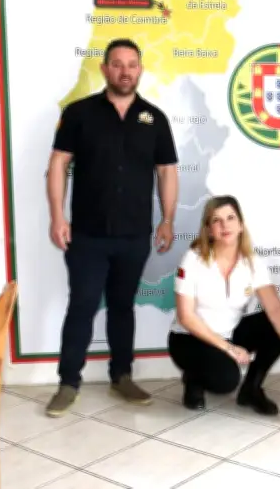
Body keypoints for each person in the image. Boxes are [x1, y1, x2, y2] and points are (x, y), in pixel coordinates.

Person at [45, 38, 179, 417]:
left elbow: (167, 171)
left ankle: (122, 376)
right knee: (82, 306)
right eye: (117, 64)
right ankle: (68, 382)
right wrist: (58, 216)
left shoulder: (154, 118)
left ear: (140, 70)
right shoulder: (79, 113)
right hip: (87, 234)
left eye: (131, 64)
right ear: (105, 70)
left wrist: (167, 220)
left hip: (135, 235)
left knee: (123, 308)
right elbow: (58, 164)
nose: (125, 71)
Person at [168, 195, 280, 414]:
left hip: (229, 332)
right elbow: (186, 317)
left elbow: (275, 310)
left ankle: (251, 390)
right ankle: (194, 379)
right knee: (226, 380)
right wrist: (229, 348)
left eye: (230, 218)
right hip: (189, 339)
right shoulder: (193, 259)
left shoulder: (253, 262)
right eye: (216, 220)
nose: (224, 225)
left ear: (241, 225)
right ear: (208, 230)